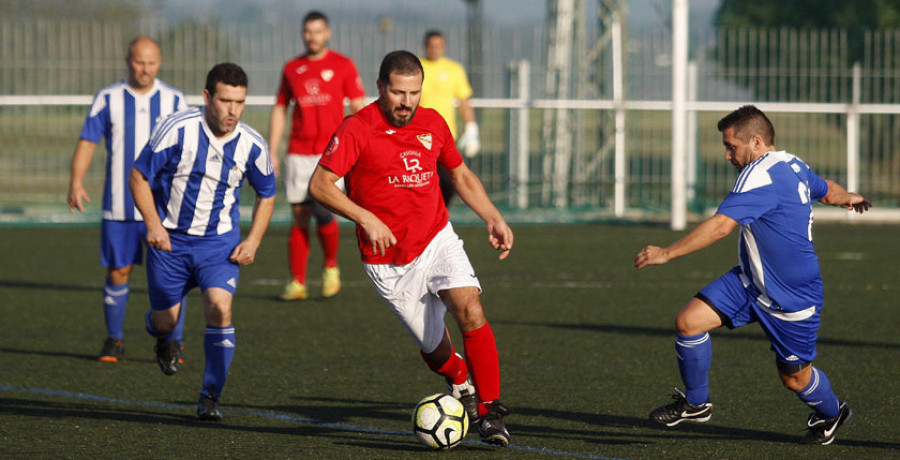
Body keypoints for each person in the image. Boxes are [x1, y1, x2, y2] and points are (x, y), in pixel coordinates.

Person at [309, 50, 514, 446]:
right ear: (381, 87)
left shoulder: (433, 122)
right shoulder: (357, 128)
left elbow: (460, 173)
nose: (406, 102)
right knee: (436, 351)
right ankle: (459, 381)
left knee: (470, 307)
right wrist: (365, 217)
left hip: (436, 238)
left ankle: (489, 411)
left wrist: (493, 216)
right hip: (389, 262)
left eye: (414, 93)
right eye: (398, 93)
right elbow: (319, 185)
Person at [634, 105, 870, 445]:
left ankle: (833, 412)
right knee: (689, 322)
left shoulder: (759, 175)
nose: (728, 155)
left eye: (732, 146)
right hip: (749, 282)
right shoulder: (792, 163)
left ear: (757, 142)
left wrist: (667, 253)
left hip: (792, 296)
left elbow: (720, 227)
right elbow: (825, 188)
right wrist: (848, 197)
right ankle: (697, 404)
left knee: (794, 378)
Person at [130, 63, 276, 421]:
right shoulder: (177, 129)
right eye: (225, 100)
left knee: (220, 309)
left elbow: (267, 193)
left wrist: (253, 241)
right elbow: (138, 176)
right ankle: (165, 340)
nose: (233, 110)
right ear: (207, 96)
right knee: (165, 321)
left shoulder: (252, 145)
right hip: (170, 244)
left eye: (239, 102)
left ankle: (211, 395)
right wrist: (153, 225)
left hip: (218, 247)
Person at [67, 36, 188, 363]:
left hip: (163, 209)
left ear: (159, 62)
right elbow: (88, 142)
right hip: (119, 206)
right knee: (118, 272)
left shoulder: (176, 101)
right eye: (139, 62)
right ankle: (114, 340)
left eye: (150, 63)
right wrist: (76, 181)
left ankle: (174, 342)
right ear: (127, 60)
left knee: (171, 276)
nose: (145, 69)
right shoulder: (108, 98)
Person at [269, 10, 366, 301]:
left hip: (331, 154)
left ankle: (331, 267)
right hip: (298, 152)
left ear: (328, 33)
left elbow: (358, 108)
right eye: (308, 31)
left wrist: (364, 148)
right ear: (303, 33)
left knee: (325, 211)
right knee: (299, 215)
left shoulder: (343, 65)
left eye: (318, 31)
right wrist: (272, 150)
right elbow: (279, 108)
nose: (313, 36)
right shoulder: (292, 68)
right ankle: (297, 282)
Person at [419, 30, 480, 206]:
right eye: (431, 46)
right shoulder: (417, 66)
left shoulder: (454, 69)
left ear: (444, 47)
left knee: (449, 181)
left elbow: (464, 100)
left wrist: (471, 128)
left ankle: (438, 216)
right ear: (425, 47)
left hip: (445, 136)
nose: (435, 49)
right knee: (421, 180)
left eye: (438, 46)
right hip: (418, 135)